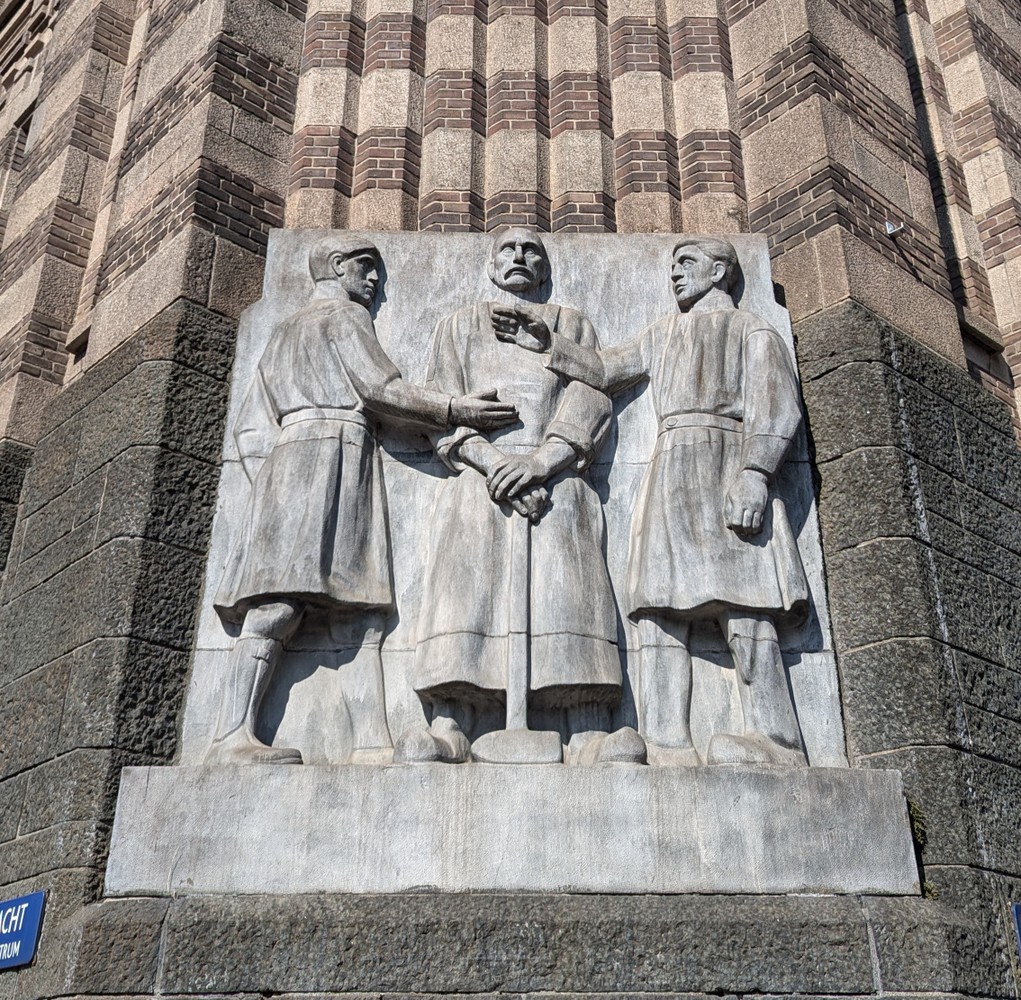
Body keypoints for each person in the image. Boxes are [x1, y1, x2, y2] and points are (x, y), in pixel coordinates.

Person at [493, 236, 809, 766]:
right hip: (672, 469)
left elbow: (779, 408)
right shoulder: (663, 332)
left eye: (687, 263)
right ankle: (666, 740)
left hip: (726, 460)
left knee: (745, 608)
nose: (675, 274)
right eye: (672, 265)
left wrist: (755, 474)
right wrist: (548, 344)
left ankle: (778, 740)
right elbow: (606, 370)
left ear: (719, 272)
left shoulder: (751, 329)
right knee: (660, 609)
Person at [208, 234, 517, 765]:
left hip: (308, 464)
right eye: (366, 267)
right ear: (337, 266)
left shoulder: (283, 330)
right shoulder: (344, 317)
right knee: (278, 605)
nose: (376, 281)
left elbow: (250, 431)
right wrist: (455, 408)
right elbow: (381, 389)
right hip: (329, 458)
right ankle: (230, 736)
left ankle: (372, 742)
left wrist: (273, 487)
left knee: (360, 616)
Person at [399, 229, 644, 765]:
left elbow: (592, 396)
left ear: (545, 267)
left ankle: (587, 728)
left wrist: (540, 463)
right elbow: (440, 409)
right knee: (467, 584)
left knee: (571, 582)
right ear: (490, 265)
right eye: (507, 249)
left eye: (531, 249)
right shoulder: (458, 325)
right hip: (479, 475)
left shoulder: (570, 323)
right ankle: (451, 724)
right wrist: (493, 464)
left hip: (556, 474)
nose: (518, 256)